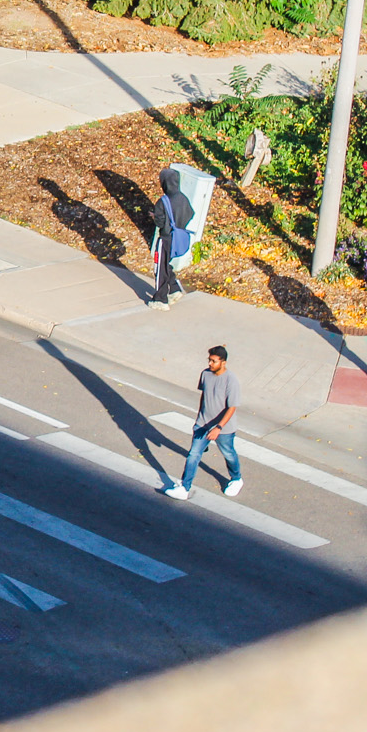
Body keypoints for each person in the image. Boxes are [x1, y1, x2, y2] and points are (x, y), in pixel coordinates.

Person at [165, 344, 242, 500]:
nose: (210, 364)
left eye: (214, 361)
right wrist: (198, 420)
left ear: (223, 362)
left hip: (223, 429)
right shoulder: (205, 374)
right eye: (209, 360)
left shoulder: (231, 381)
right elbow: (205, 397)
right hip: (203, 424)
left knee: (229, 454)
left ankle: (236, 479)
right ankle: (184, 488)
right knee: (193, 455)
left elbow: (231, 408)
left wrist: (218, 427)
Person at [148, 166, 194, 309]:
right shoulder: (183, 198)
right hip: (178, 236)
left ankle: (160, 300)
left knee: (159, 268)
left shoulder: (163, 201)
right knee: (166, 264)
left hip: (166, 238)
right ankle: (174, 289)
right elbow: (190, 214)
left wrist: (154, 216)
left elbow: (160, 222)